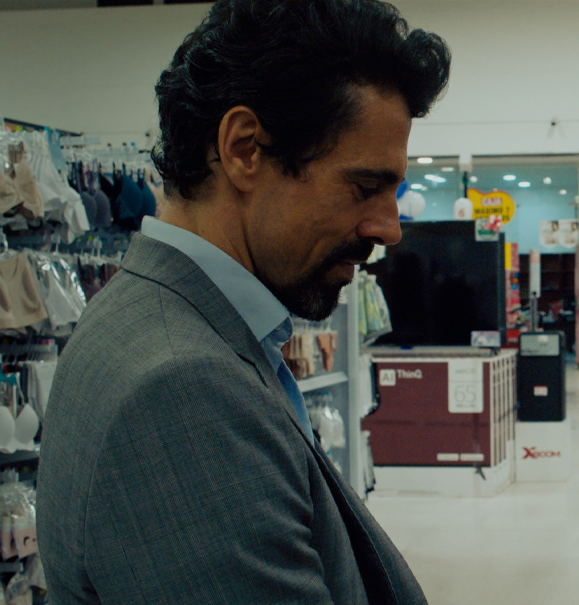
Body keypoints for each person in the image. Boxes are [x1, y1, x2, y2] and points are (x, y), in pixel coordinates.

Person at [39, 1, 451, 604]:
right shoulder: (182, 391)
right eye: (365, 187)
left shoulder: (151, 319)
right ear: (244, 148)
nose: (389, 229)